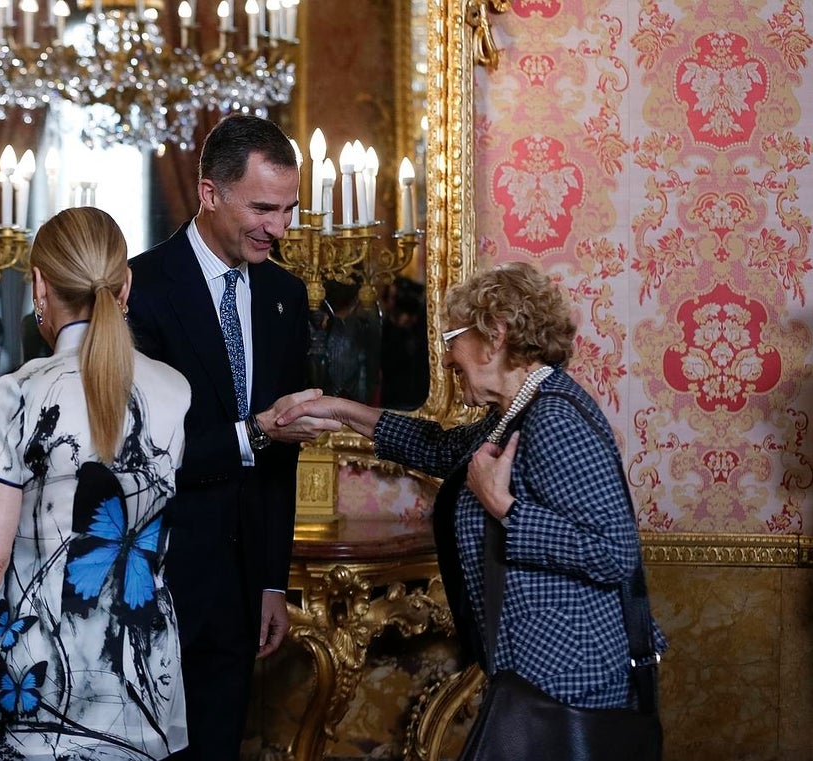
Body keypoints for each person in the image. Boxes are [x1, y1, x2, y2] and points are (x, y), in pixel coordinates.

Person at [278, 261, 667, 710]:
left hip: (571, 683)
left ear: (495, 336)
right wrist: (339, 410)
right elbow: (440, 449)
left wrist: (505, 508)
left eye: (451, 340)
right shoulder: (518, 411)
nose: (445, 358)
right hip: (539, 674)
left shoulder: (554, 419)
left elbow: (614, 553)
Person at [0, 207, 193, 760]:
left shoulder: (14, 394)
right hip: (140, 665)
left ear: (39, 284)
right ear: (125, 284)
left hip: (34, 674)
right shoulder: (174, 391)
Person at [127, 114, 340, 760]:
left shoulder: (285, 293)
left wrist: (273, 581)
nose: (279, 228)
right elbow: (140, 453)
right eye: (264, 207)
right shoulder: (140, 288)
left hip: (244, 586)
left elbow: (286, 450)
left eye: (289, 209)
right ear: (210, 192)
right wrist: (251, 433)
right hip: (152, 579)